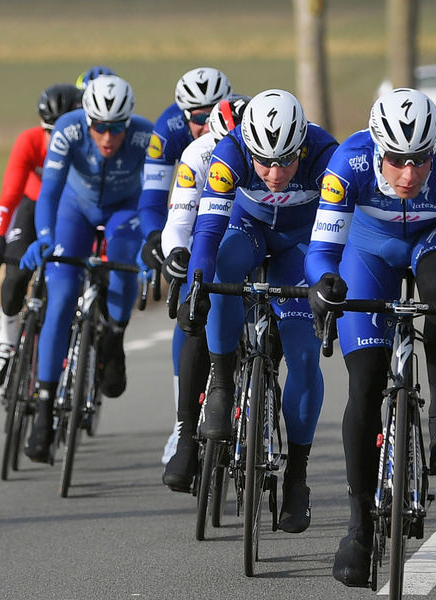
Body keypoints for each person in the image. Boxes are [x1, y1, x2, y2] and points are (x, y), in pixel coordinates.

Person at [304, 88, 436, 587]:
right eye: (396, 161)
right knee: (366, 383)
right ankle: (358, 528)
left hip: (432, 241)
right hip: (370, 250)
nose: (409, 175)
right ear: (376, 149)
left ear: (435, 150)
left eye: (420, 160)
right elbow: (323, 248)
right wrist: (324, 283)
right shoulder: (347, 164)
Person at [186, 89, 339, 531]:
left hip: (301, 244)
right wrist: (197, 285)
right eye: (264, 162)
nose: (274, 174)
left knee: (305, 356)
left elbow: (339, 230)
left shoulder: (325, 153)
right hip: (247, 229)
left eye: (286, 161)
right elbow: (208, 228)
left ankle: (297, 474)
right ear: (247, 146)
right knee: (223, 266)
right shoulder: (229, 150)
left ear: (302, 147)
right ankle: (220, 381)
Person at [19, 75, 154, 463]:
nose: (108, 138)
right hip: (74, 210)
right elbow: (49, 192)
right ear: (87, 119)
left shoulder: (146, 137)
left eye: (116, 128)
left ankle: (114, 338)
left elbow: (157, 197)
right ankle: (44, 411)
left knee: (126, 264)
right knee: (60, 297)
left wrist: (153, 246)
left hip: (125, 208)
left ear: (128, 122)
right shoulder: (68, 129)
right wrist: (44, 237)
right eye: (99, 127)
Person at [134, 67, 232, 466]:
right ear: (182, 114)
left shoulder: (238, 120)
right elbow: (155, 199)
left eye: (211, 113)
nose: (204, 122)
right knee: (189, 314)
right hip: (188, 212)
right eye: (196, 116)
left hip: (233, 216)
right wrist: (156, 241)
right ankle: (182, 427)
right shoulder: (169, 129)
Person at [158, 94, 251, 492]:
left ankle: (264, 395)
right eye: (220, 148)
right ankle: (183, 430)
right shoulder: (197, 154)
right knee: (195, 313)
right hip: (210, 234)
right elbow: (179, 220)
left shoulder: (263, 157)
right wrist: (177, 254)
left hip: (257, 236)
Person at [0, 82, 82, 387]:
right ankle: (7, 336)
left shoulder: (85, 145)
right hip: (32, 208)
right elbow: (9, 197)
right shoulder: (29, 141)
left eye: (60, 131)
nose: (53, 140)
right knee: (14, 276)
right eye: (48, 131)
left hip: (70, 211)